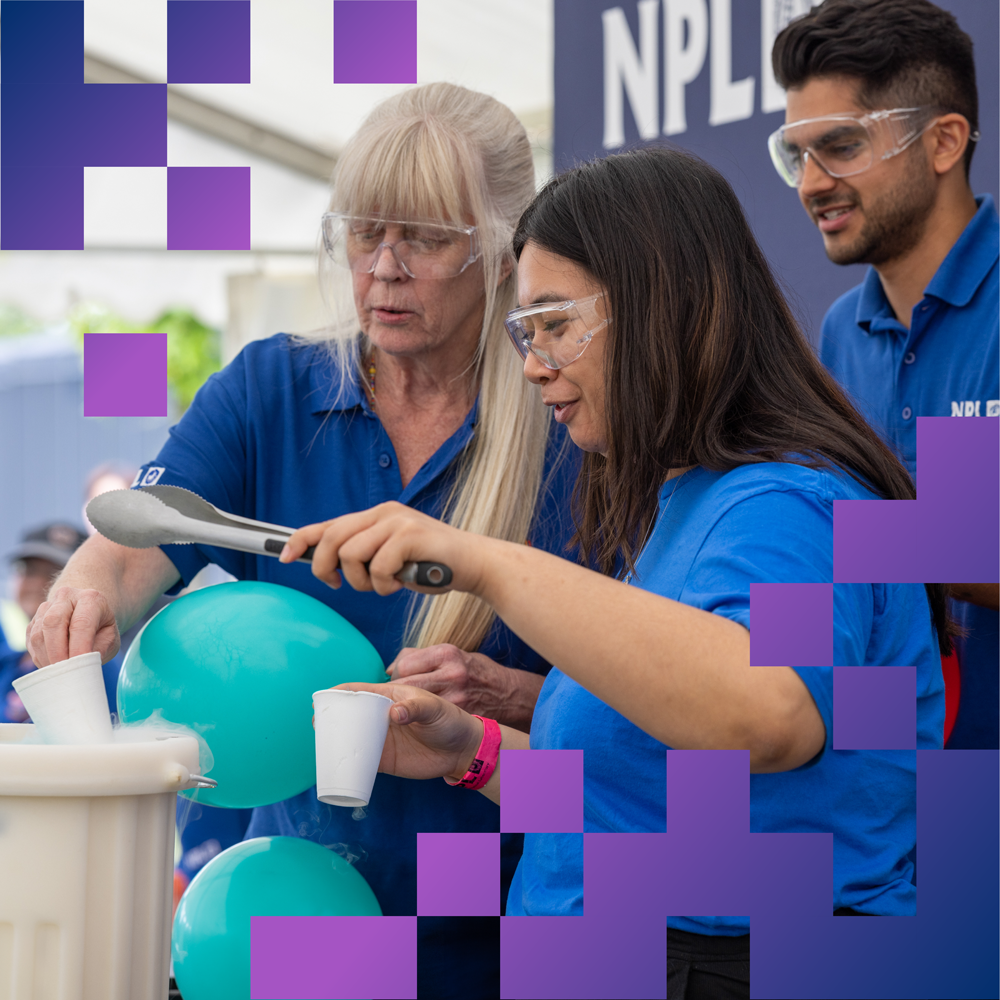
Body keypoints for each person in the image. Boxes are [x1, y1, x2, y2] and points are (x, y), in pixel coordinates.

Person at [280, 146, 948, 1000]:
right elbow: (642, 809)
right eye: (526, 332)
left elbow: (767, 715)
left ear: (664, 306)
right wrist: (470, 751)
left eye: (557, 324)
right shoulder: (693, 503)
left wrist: (486, 563)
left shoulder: (789, 504)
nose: (533, 365)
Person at [26, 83, 577, 1000]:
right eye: (363, 233)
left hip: (514, 935)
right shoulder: (269, 392)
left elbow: (656, 705)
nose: (385, 268)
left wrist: (513, 696)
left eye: (427, 238)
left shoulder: (572, 422)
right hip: (289, 923)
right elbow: (135, 543)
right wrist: (81, 598)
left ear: (504, 247)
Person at [770, 0, 999, 748]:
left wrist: (840, 539)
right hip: (896, 805)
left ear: (943, 141)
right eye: (796, 155)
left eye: (839, 147)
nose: (811, 184)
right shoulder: (839, 333)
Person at [1, 524, 87, 722]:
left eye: (55, 573)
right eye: (29, 570)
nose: (38, 583)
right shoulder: (7, 662)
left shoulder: (90, 666)